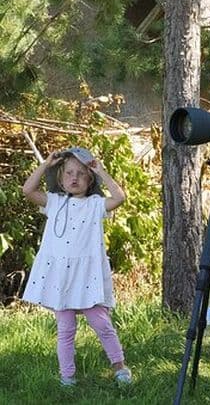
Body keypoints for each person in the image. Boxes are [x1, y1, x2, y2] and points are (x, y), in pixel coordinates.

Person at [21, 147, 132, 387]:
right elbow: (27, 190)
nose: (75, 178)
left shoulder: (95, 204)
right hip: (61, 278)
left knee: (102, 323)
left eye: (81, 174)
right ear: (61, 179)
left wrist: (100, 170)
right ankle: (67, 377)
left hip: (87, 277)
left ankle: (120, 367)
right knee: (66, 329)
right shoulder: (54, 202)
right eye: (69, 173)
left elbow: (120, 198)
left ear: (89, 180)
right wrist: (46, 165)